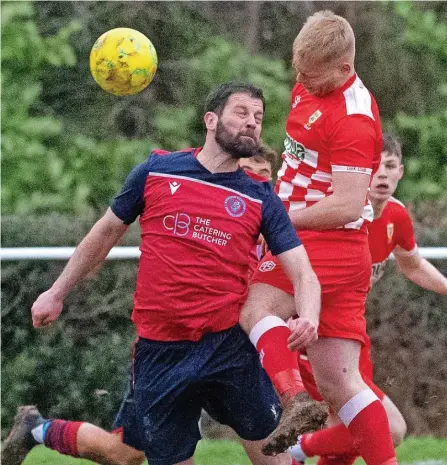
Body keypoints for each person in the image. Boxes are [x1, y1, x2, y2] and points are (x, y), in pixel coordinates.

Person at [2, 82, 322, 465]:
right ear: (210, 119)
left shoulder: (260, 196)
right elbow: (104, 233)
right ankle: (37, 429)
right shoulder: (156, 171)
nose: (252, 123)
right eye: (241, 113)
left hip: (227, 348)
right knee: (126, 453)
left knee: (274, 457)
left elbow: (303, 271)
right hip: (161, 351)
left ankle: (37, 428)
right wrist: (56, 292)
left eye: (258, 116)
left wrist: (309, 315)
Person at [240, 10, 401, 465]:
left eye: (313, 76)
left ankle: (293, 402)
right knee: (341, 383)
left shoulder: (353, 118)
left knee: (256, 308)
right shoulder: (310, 82)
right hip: (328, 245)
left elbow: (349, 205)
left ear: (344, 69)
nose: (302, 82)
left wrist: (280, 215)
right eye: (298, 71)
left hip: (327, 241)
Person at [288, 133, 447, 465]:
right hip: (316, 338)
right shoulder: (333, 213)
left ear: (400, 172)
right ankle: (299, 447)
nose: (382, 175)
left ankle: (301, 448)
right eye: (374, 166)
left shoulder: (396, 216)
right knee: (388, 429)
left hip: (351, 335)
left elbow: (412, 264)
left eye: (389, 166)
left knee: (347, 441)